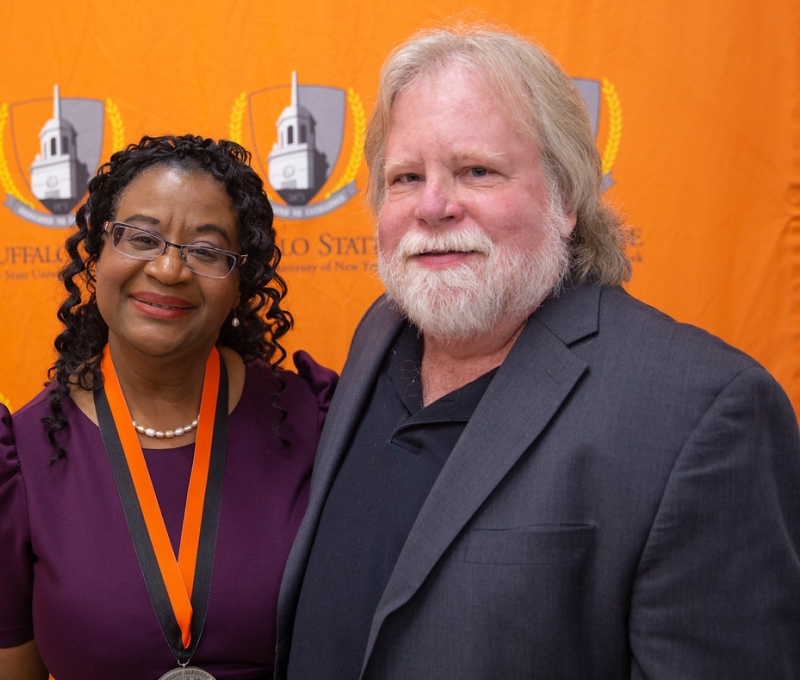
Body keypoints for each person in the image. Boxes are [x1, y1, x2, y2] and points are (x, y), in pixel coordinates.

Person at [277, 24, 800, 680]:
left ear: (567, 196)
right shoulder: (378, 333)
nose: (433, 206)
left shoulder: (704, 412)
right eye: (406, 177)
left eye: (476, 170)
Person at [0, 134, 336, 679]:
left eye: (206, 250)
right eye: (141, 238)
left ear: (240, 283)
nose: (168, 270)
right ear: (97, 254)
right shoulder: (17, 460)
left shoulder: (316, 423)